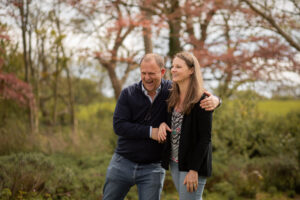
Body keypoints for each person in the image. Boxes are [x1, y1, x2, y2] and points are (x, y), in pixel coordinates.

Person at [102, 53, 219, 200]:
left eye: (151, 73)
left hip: (153, 167)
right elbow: (119, 126)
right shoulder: (130, 93)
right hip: (123, 162)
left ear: (162, 72)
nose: (147, 78)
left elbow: (199, 104)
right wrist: (152, 131)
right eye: (143, 73)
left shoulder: (170, 91)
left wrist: (216, 100)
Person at [157, 52, 213, 200]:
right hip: (175, 162)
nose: (173, 70)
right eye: (172, 66)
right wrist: (162, 124)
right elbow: (165, 120)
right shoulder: (171, 96)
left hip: (192, 166)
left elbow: (205, 138)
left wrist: (194, 169)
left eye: (178, 67)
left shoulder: (202, 99)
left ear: (191, 70)